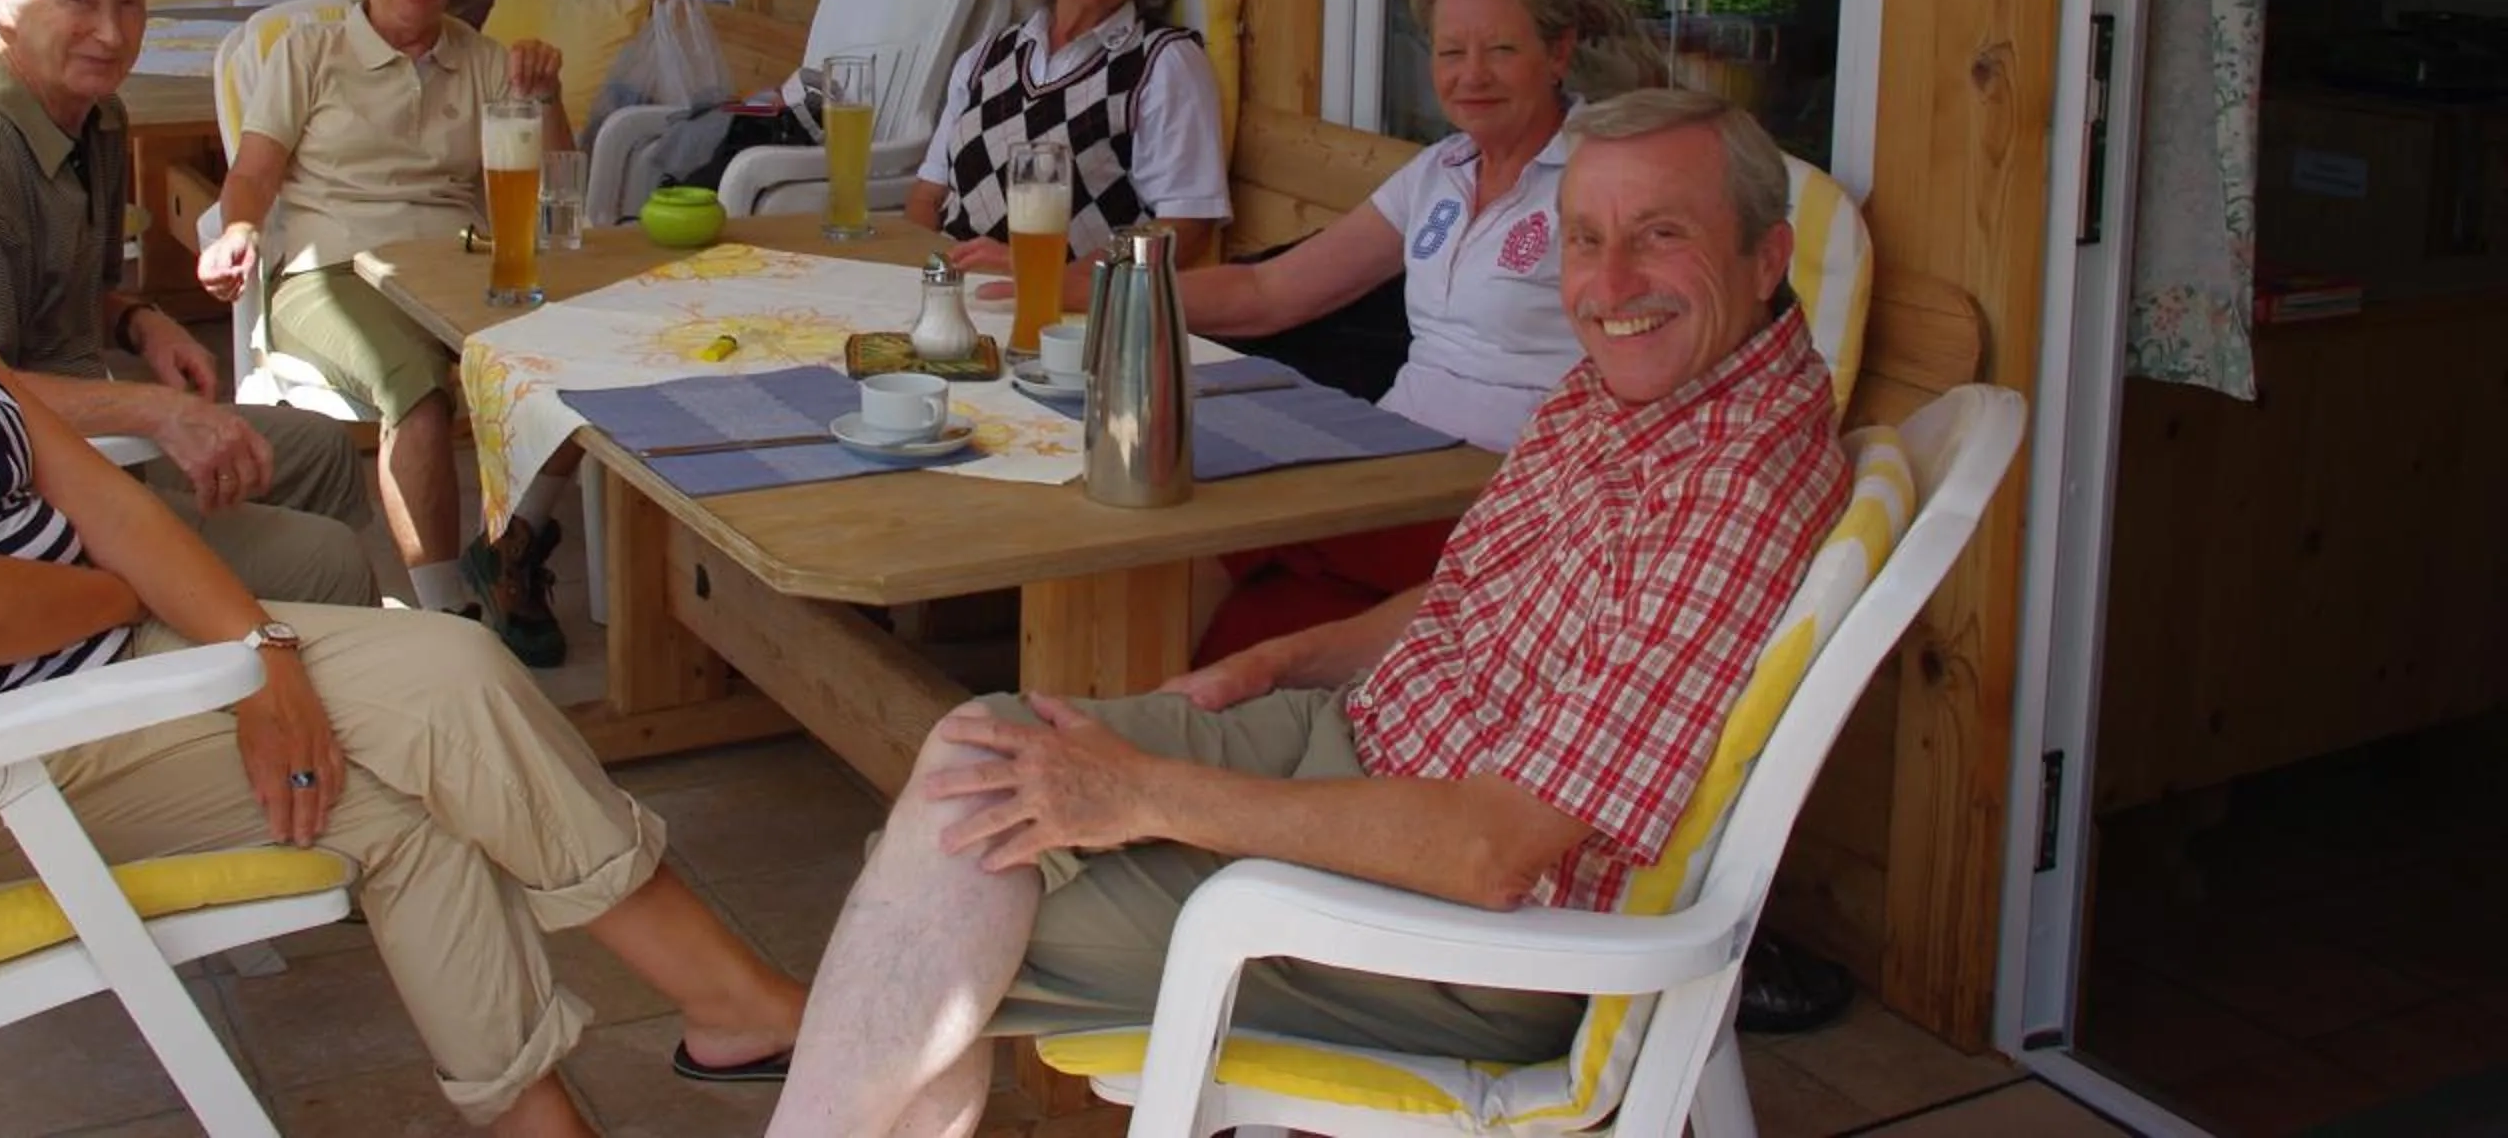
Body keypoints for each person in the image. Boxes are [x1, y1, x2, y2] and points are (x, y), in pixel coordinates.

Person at [0, 40, 805, 1138]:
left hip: (104, 689)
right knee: (403, 807)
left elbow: (114, 507)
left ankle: (631, 1066)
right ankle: (726, 1003)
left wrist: (264, 659)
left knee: (455, 672)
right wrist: (138, 610)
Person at [761, 88, 1849, 1138]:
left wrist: (1144, 793)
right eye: (1584, 237)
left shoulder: (1727, 493)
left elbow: (1494, 852)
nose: (1609, 281)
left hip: (1472, 935)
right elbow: (1481, 593)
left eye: (1660, 235)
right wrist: (1281, 658)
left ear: (1767, 256)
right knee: (975, 760)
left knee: (955, 892)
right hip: (1368, 750)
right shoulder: (1646, 385)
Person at [0, 0, 377, 610]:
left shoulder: (96, 118)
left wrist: (142, 321)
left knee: (322, 449)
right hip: (11, 496)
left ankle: (272, 645)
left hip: (79, 431)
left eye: (129, 3)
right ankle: (235, 664)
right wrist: (154, 413)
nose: (111, 35)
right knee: (326, 561)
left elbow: (72, 287)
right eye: (78, 1)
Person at [1183, 0, 1659, 661]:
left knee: (1210, 518)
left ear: (1558, 54)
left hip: (1497, 498)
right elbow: (1268, 292)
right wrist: (1107, 291)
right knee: (1198, 546)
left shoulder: (1604, 176)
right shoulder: (1441, 167)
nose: (1471, 76)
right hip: (1383, 466)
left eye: (1500, 50)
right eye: (1449, 52)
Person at [194, 0, 574, 663]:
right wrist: (235, 231)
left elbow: (555, 191)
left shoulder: (485, 59)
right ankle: (446, 618)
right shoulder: (309, 52)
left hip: (457, 265)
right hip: (327, 269)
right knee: (417, 390)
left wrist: (547, 97)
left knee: (573, 363)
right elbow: (256, 170)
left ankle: (510, 552)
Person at [905, 0, 1230, 306]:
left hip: (1070, 314)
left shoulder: (1164, 64)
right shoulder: (987, 57)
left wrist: (1059, 280)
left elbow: (1185, 229)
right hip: (949, 299)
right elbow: (927, 195)